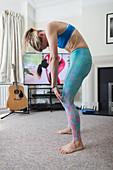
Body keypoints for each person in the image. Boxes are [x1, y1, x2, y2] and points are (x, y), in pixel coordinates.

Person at [23, 21, 92, 154]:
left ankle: (77, 142)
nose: (47, 47)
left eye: (45, 45)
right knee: (66, 98)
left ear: (42, 34)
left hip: (81, 56)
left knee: (66, 99)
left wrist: (53, 85)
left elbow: (54, 58)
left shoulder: (49, 27)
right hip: (78, 56)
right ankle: (71, 128)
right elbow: (51, 59)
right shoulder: (50, 31)